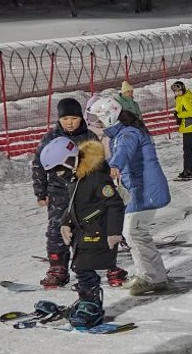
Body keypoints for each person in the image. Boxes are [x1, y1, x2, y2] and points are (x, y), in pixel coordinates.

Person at [39, 136, 124, 329]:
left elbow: (115, 204)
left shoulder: (96, 177)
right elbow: (72, 205)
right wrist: (65, 223)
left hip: (99, 231)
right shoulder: (75, 178)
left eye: (59, 169)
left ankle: (92, 306)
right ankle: (86, 300)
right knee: (79, 267)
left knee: (84, 268)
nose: (58, 174)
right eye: (54, 171)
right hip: (82, 231)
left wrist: (114, 231)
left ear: (70, 160)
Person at [90, 97, 171, 296]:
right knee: (136, 233)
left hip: (145, 190)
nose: (97, 125)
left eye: (99, 120)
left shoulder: (128, 134)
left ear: (110, 118)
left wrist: (115, 166)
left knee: (134, 232)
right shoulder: (120, 134)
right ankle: (153, 275)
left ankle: (152, 277)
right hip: (139, 189)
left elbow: (124, 151)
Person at [31, 97, 100, 288]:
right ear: (59, 119)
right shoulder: (50, 138)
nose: (69, 122)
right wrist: (41, 191)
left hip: (83, 191)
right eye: (65, 119)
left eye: (74, 118)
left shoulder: (89, 137)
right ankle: (57, 267)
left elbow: (99, 164)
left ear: (81, 118)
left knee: (87, 227)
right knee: (56, 229)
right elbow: (38, 165)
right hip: (58, 191)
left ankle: (90, 264)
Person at [171, 80, 192, 179]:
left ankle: (188, 170)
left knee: (187, 149)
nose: (177, 93)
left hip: (189, 126)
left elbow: (191, 112)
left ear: (183, 89)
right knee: (191, 148)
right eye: (175, 91)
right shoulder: (180, 99)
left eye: (179, 91)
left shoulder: (184, 99)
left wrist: (179, 115)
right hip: (188, 126)